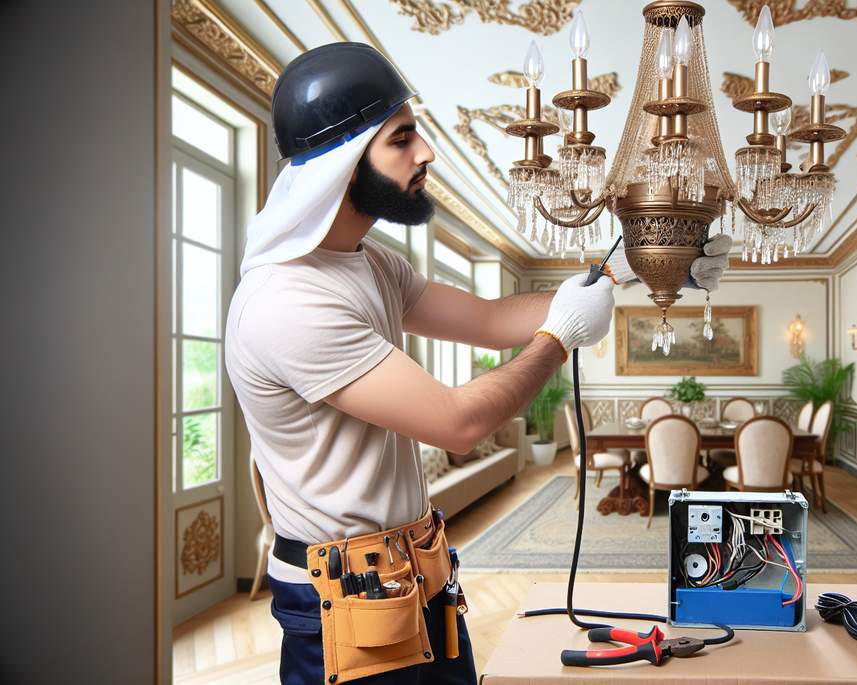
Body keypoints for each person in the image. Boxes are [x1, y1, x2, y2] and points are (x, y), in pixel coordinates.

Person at [224, 42, 731, 684]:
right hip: (345, 606)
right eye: (401, 139)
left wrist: (629, 266)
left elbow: (490, 321)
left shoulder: (369, 262)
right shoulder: (288, 302)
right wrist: (559, 338)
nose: (426, 153)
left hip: (417, 575)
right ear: (343, 164)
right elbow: (459, 423)